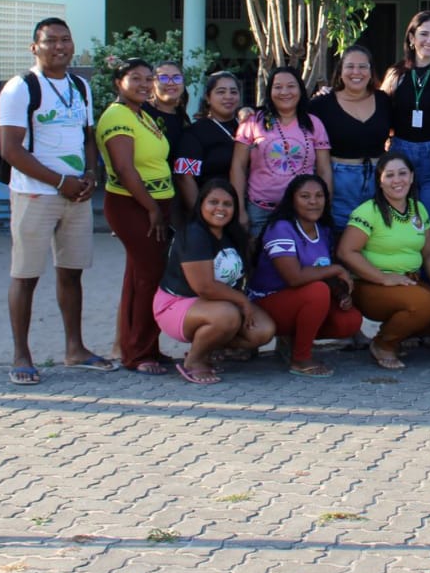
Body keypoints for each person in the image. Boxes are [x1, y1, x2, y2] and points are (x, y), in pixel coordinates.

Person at [0, 17, 113, 386]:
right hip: (35, 193)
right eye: (51, 41)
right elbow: (11, 150)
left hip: (75, 194)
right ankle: (21, 355)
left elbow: (88, 136)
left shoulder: (80, 86)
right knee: (26, 274)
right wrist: (60, 181)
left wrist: (91, 176)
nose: (60, 46)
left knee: (72, 272)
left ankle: (75, 349)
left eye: (66, 39)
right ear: (35, 47)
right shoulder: (21, 88)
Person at [336, 151, 430, 371]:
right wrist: (383, 278)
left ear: (412, 177)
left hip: (408, 282)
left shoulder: (418, 209)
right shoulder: (368, 211)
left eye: (403, 173)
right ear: (380, 181)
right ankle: (384, 344)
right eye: (390, 175)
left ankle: (402, 332)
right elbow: (346, 252)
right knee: (424, 305)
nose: (397, 181)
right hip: (371, 284)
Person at [153, 178, 276, 385]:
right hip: (177, 304)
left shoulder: (233, 234)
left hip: (216, 305)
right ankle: (194, 360)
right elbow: (205, 288)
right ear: (201, 204)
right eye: (213, 202)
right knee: (228, 316)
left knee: (263, 330)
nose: (220, 208)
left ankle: (211, 346)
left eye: (227, 204)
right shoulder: (194, 234)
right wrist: (243, 302)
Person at [98, 57, 177, 376]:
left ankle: (146, 348)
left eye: (149, 78)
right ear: (119, 82)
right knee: (148, 277)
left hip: (154, 206)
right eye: (136, 78)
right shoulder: (117, 115)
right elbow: (124, 168)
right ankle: (137, 354)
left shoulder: (141, 114)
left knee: (140, 277)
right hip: (134, 206)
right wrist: (152, 209)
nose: (145, 84)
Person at [249, 173, 365, 376]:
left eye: (319, 196)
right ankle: (300, 359)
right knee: (317, 291)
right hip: (267, 302)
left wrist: (340, 294)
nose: (313, 201)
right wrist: (337, 269)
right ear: (292, 200)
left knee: (349, 320)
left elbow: (320, 269)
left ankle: (292, 341)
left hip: (301, 301)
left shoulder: (323, 229)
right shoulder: (281, 228)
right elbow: (294, 277)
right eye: (305, 196)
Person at [231, 65, 331, 239]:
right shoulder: (253, 121)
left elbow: (324, 170)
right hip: (260, 210)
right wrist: (240, 209)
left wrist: (323, 208)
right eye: (278, 87)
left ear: (300, 90)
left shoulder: (314, 124)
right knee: (259, 261)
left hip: (302, 211)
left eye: (291, 86)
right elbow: (238, 167)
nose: (285, 92)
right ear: (269, 91)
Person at [310, 45, 393, 230]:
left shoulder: (384, 100)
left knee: (375, 240)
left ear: (371, 72)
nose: (357, 72)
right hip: (339, 183)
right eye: (350, 66)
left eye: (363, 67)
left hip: (379, 183)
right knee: (340, 240)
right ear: (340, 71)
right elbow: (289, 117)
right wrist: (246, 113)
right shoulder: (321, 104)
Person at [383, 10, 430, 229]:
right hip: (400, 153)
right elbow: (376, 105)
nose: (429, 41)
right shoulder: (396, 74)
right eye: (423, 34)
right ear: (412, 38)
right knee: (400, 220)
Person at [174, 71, 244, 217]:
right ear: (207, 97)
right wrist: (200, 216)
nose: (228, 97)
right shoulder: (194, 133)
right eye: (220, 92)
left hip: (250, 206)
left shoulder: (248, 127)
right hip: (213, 211)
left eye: (233, 92)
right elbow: (185, 177)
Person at [146, 60, 189, 178]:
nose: (171, 83)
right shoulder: (141, 112)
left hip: (175, 186)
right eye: (164, 78)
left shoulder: (182, 116)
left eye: (177, 78)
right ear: (153, 83)